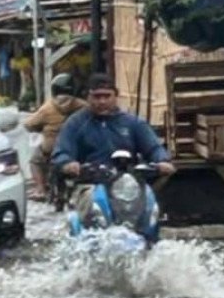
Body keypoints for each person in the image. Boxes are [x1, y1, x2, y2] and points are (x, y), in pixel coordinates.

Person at [51, 73, 176, 221]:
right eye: (97, 97)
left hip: (129, 184)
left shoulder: (132, 122)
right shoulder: (76, 123)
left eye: (107, 96)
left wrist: (162, 161)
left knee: (150, 206)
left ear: (116, 96)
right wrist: (68, 164)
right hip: (91, 183)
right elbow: (61, 152)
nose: (102, 101)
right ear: (87, 97)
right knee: (93, 201)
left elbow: (154, 147)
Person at [24, 73, 86, 201]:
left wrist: (41, 128)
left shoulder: (48, 107)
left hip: (51, 149)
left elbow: (29, 124)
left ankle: (40, 189)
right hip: (77, 149)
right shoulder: (83, 106)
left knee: (35, 161)